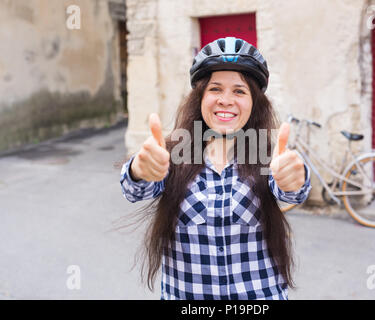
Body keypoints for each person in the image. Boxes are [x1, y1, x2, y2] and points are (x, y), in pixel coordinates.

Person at [120, 37, 312, 300]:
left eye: (239, 91)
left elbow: (292, 191)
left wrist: (295, 180)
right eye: (215, 89)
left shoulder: (268, 156)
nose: (226, 100)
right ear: (200, 97)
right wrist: (139, 170)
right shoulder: (173, 153)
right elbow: (135, 190)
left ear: (255, 102)